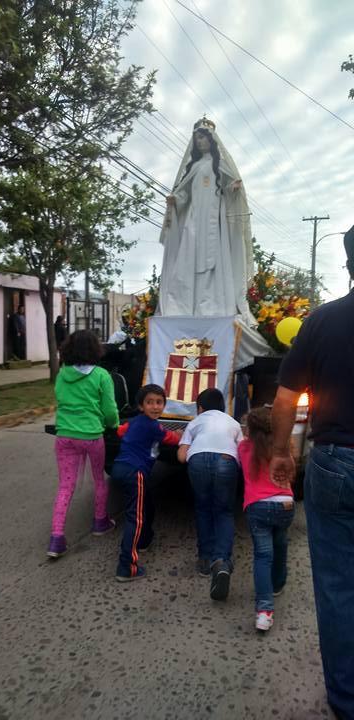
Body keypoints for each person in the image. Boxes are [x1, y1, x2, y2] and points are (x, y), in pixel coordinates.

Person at [269, 227, 354, 719]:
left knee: (339, 585)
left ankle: (346, 700)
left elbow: (285, 398)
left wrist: (282, 452)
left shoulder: (321, 321)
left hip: (336, 461)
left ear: (348, 266)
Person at [157, 116, 255, 324]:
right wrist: (175, 199)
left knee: (215, 262)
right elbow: (185, 195)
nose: (200, 142)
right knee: (189, 259)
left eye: (203, 138)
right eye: (197, 139)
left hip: (214, 221)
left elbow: (227, 190)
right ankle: (186, 305)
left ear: (211, 139)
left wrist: (233, 188)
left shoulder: (220, 165)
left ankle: (213, 305)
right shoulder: (194, 167)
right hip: (194, 221)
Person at [47, 330, 119, 558]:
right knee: (98, 479)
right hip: (92, 436)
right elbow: (109, 410)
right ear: (95, 349)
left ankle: (56, 538)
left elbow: (60, 398)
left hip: (64, 435)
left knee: (65, 487)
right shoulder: (101, 375)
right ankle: (100, 522)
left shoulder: (62, 374)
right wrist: (113, 424)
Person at [177, 388, 242, 601]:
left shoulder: (195, 422)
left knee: (203, 509)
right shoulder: (233, 423)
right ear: (223, 407)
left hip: (197, 459)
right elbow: (243, 451)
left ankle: (204, 560)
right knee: (224, 512)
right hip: (226, 460)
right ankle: (221, 561)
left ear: (200, 408)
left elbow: (181, 456)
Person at [111, 384, 181, 582]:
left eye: (159, 402)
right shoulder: (153, 427)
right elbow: (172, 439)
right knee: (135, 518)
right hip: (135, 472)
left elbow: (120, 431)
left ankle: (143, 540)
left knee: (144, 503)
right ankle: (126, 567)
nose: (155, 406)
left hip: (120, 468)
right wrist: (180, 434)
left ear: (164, 405)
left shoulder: (134, 422)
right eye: (150, 402)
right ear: (141, 406)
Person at [238, 407, 294, 632]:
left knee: (263, 556)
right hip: (285, 504)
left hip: (258, 506)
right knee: (280, 542)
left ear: (250, 429)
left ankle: (264, 611)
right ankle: (277, 584)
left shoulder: (244, 448)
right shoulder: (284, 448)